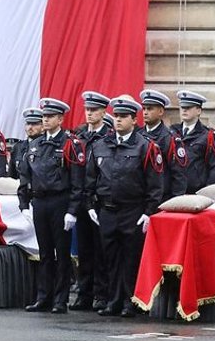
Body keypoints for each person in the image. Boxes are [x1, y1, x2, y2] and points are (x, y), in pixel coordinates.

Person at [84, 96, 163, 317]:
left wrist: (149, 212)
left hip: (133, 210)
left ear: (133, 119)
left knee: (130, 258)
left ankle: (130, 301)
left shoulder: (145, 146)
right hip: (107, 210)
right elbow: (90, 178)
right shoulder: (101, 145)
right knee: (109, 257)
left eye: (123, 116)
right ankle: (113, 300)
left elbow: (155, 183)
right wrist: (90, 204)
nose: (118, 120)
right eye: (116, 116)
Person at [19, 98, 85, 314]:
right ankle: (43, 297)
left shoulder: (70, 144)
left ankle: (60, 299)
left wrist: (72, 210)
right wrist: (24, 204)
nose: (45, 120)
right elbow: (25, 177)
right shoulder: (35, 144)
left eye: (50, 117)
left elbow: (77, 181)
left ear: (60, 119)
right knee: (44, 252)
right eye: (44, 116)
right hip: (40, 201)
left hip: (60, 201)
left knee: (62, 253)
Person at [71, 91, 111, 311]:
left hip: (99, 199)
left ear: (103, 112)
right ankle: (84, 293)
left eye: (94, 110)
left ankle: (101, 294)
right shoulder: (79, 135)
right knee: (84, 249)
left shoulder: (108, 136)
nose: (89, 114)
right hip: (81, 198)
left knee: (101, 250)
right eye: (87, 110)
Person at [170, 90, 215, 194]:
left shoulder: (209, 136)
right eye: (182, 107)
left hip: (197, 194)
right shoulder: (172, 132)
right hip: (173, 193)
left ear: (198, 110)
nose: (184, 110)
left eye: (188, 107)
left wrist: (208, 194)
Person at [140, 89, 182, 202]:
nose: (145, 112)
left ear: (160, 111)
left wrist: (174, 202)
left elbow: (178, 175)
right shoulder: (137, 135)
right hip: (139, 199)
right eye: (144, 108)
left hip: (161, 199)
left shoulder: (170, 138)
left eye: (150, 108)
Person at [8, 108, 42, 181]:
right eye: (28, 123)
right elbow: (11, 175)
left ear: (43, 127)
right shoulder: (18, 147)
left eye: (34, 124)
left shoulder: (47, 146)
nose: (30, 127)